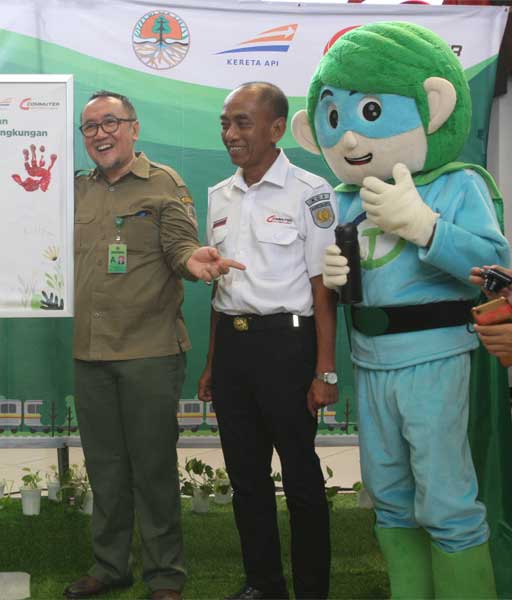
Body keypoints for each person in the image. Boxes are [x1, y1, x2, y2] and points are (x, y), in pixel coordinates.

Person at [292, 22, 509, 598]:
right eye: (333, 117)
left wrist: (426, 227)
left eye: (369, 110)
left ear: (432, 107)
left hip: (435, 358)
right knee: (389, 494)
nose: (348, 138)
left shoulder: (456, 184)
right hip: (371, 361)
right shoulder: (339, 200)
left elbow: (496, 266)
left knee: (445, 495)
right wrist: (338, 283)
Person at [67, 91, 244, 600]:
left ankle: (165, 575)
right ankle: (110, 566)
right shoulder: (78, 191)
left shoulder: (164, 183)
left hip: (149, 351)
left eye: (110, 123)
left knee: (152, 471)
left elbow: (181, 246)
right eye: (90, 127)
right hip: (91, 351)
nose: (100, 134)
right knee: (105, 468)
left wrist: (195, 263)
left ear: (133, 127)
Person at [197, 82, 338, 600]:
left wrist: (326, 371)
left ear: (277, 129)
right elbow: (219, 287)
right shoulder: (218, 194)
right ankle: (263, 584)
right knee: (246, 478)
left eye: (243, 123)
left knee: (301, 479)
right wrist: (213, 364)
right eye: (225, 123)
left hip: (288, 348)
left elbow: (324, 290)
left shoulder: (310, 191)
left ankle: (311, 590)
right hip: (234, 349)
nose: (230, 133)